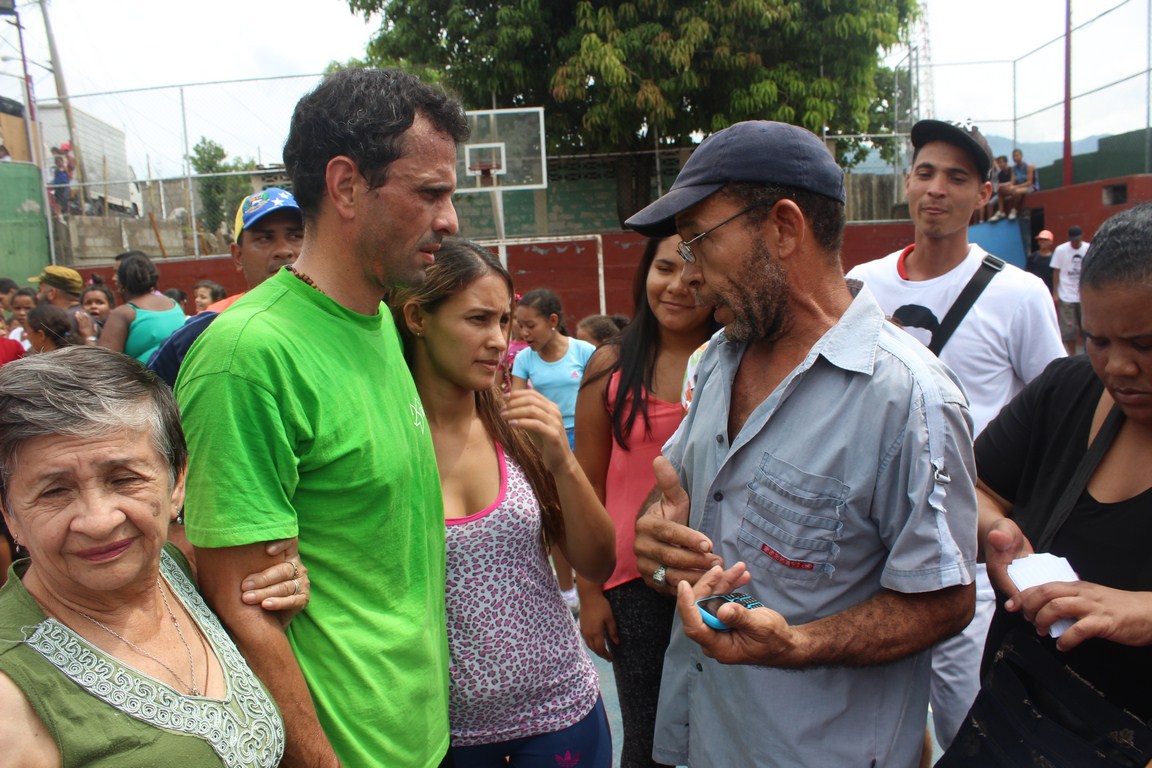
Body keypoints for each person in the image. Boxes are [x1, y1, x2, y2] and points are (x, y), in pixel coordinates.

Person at [623, 120, 978, 767]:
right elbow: (672, 491)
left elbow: (944, 599)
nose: (691, 274)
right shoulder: (720, 360)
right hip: (704, 740)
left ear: (783, 228)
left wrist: (800, 643)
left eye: (700, 242)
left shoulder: (908, 400)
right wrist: (656, 537)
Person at [175, 67, 469, 768]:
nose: (451, 220)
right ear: (344, 185)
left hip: (421, 736)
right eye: (430, 193)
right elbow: (240, 602)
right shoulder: (250, 354)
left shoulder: (378, 321)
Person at [846, 119, 1064, 751]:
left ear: (983, 194)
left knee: (976, 733)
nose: (937, 189)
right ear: (908, 183)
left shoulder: (1019, 295)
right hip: (872, 557)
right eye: (925, 172)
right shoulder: (861, 283)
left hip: (965, 567)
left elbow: (1054, 416)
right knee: (879, 735)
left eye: (957, 177)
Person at [0, 346, 312, 766]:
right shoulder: (11, 693)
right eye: (54, 491)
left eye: (124, 478)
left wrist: (272, 605)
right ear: (9, 513)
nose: (98, 521)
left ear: (177, 481)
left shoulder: (183, 571)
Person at [939, 202, 1152, 765]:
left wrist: (1143, 613)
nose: (1118, 368)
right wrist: (1001, 535)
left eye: (1145, 345)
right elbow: (975, 488)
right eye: (1098, 340)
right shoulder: (1066, 390)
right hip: (1025, 722)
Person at [391, 237, 615, 766]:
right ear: (418, 317)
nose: (498, 342)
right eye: (477, 320)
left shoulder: (517, 427)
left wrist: (562, 463)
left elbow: (597, 561)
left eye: (503, 322)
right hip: (444, 735)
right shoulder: (385, 441)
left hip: (561, 714)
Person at [574, 236, 718, 768]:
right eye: (664, 268)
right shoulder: (611, 365)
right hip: (633, 586)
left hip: (721, 578)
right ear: (644, 274)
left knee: (726, 734)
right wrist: (590, 593)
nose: (678, 286)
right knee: (647, 741)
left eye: (696, 274)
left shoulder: (738, 361)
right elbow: (585, 486)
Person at [147, 187, 303, 388]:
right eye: (265, 238)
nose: (283, 250)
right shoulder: (206, 329)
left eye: (296, 236)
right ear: (238, 256)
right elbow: (145, 393)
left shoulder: (335, 317)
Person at [512, 288, 597, 611]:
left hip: (586, 439)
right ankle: (567, 591)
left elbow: (602, 396)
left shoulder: (584, 351)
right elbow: (517, 406)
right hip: (547, 444)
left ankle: (596, 581)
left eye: (529, 325)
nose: (523, 333)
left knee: (589, 509)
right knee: (558, 517)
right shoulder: (524, 358)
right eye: (519, 325)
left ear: (552, 321)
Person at [98, 253, 187, 363]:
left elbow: (103, 364)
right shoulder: (173, 304)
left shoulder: (124, 313)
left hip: (147, 379)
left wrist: (88, 337)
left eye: (116, 274)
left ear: (121, 284)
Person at [1051, 224, 1091, 355]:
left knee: (1087, 327)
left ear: (1082, 237)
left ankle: (1087, 354)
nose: (1075, 243)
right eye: (1072, 240)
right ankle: (1072, 354)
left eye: (1077, 240)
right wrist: (1056, 293)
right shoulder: (1061, 250)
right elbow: (1056, 271)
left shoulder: (1088, 249)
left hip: (1084, 295)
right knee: (1069, 329)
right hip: (1066, 294)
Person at [30, 265, 96, 343]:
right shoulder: (86, 317)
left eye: (40, 290)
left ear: (52, 293)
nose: (37, 296)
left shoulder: (60, 324)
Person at [988, 148, 1035, 222]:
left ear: (1021, 155)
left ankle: (1014, 210)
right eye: (1013, 156)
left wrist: (1015, 187)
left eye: (1017, 155)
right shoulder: (1014, 168)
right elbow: (1012, 182)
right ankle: (1001, 212)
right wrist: (1004, 186)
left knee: (1016, 191)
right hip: (1017, 187)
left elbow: (1029, 182)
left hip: (1030, 188)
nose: (1015, 158)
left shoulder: (1029, 166)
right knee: (1000, 190)